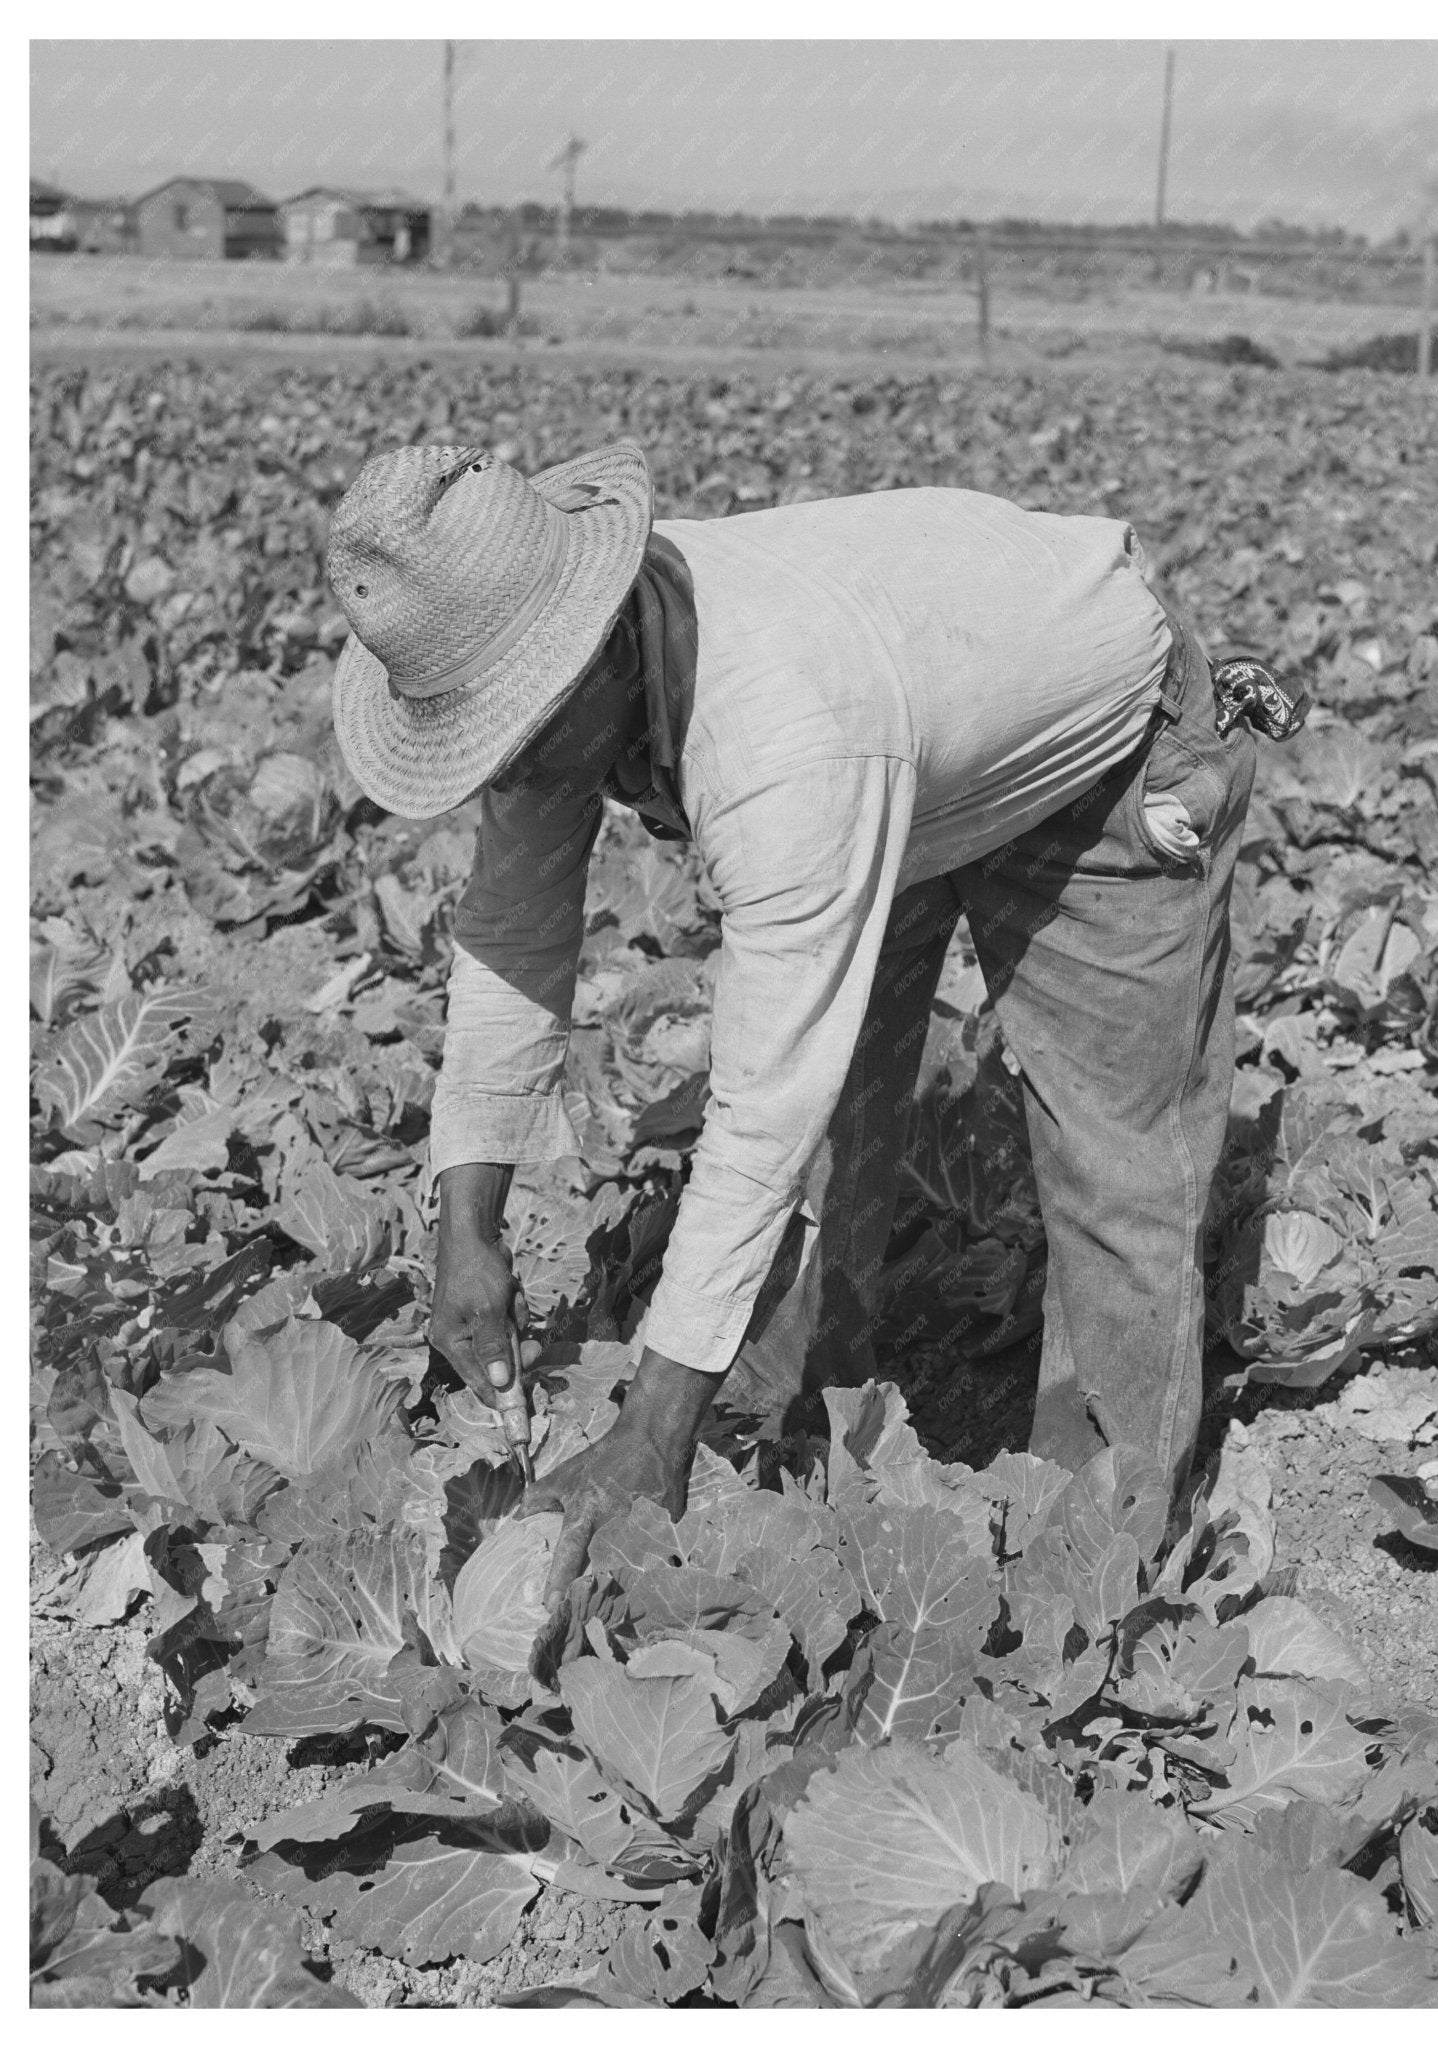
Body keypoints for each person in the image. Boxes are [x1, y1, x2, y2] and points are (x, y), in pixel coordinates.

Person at [326, 436, 1267, 1603]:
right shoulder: (549, 684)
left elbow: (763, 1097)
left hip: (1099, 737)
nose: (508, 763)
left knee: (1112, 1153)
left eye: (518, 728)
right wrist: (465, 1218)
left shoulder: (778, 739)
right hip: (917, 723)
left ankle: (1104, 1556)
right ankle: (788, 1437)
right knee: (840, 1125)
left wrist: (648, 1426)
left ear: (601, 647)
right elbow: (515, 939)